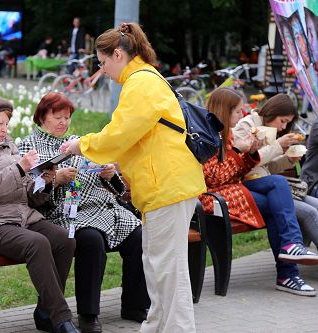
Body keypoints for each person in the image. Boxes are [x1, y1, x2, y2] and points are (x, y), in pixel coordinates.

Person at [60, 22, 206, 333]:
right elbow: (132, 137)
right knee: (159, 268)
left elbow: (119, 134)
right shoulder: (146, 78)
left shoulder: (140, 83)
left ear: (117, 54)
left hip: (167, 186)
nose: (103, 71)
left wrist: (79, 145)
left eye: (102, 63)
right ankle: (154, 327)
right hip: (166, 185)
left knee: (168, 270)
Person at [18, 92, 150, 333]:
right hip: (65, 214)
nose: (63, 122)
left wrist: (110, 175)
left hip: (104, 208)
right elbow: (29, 193)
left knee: (139, 235)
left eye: (67, 117)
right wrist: (55, 179)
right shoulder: (28, 146)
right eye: (57, 117)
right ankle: (89, 314)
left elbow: (117, 188)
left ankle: (135, 304)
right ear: (42, 117)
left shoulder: (79, 142)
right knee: (91, 240)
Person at [0, 95, 79, 333]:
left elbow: (28, 193)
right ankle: (61, 320)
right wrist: (20, 168)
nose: (5, 129)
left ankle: (45, 311)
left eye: (7, 123)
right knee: (37, 243)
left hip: (18, 217)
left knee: (64, 240)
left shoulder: (9, 145)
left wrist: (45, 182)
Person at [201, 87, 318, 297]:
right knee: (278, 198)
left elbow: (236, 170)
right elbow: (215, 177)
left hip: (235, 188)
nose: (241, 114)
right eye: (237, 111)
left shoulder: (224, 133)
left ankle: (290, 256)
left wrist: (250, 153)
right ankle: (288, 271)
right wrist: (241, 151)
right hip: (218, 196)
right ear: (224, 111)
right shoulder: (209, 136)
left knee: (278, 188)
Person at [233, 93, 318, 247]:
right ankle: (298, 250)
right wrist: (278, 146)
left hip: (269, 185)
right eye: (283, 121)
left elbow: (267, 166)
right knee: (309, 213)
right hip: (253, 187)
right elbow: (246, 163)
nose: (283, 127)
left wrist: (288, 159)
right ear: (272, 111)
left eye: (287, 123)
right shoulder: (247, 125)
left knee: (315, 206)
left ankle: (301, 251)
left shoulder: (268, 128)